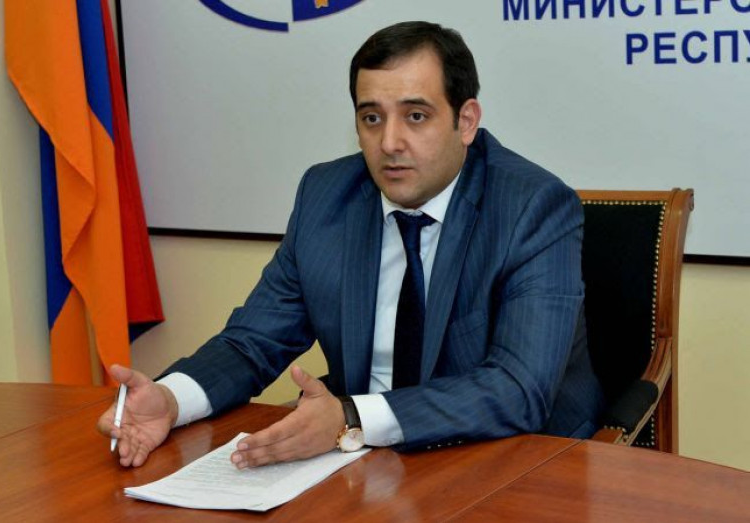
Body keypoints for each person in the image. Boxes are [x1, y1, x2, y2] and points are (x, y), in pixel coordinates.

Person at [98, 21, 604, 469]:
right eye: (372, 118)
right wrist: (172, 399)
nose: (390, 143)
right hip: (362, 461)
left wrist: (350, 417)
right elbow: (253, 341)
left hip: (516, 457)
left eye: (416, 116)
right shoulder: (327, 196)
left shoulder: (531, 207)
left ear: (466, 121)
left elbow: (518, 388)